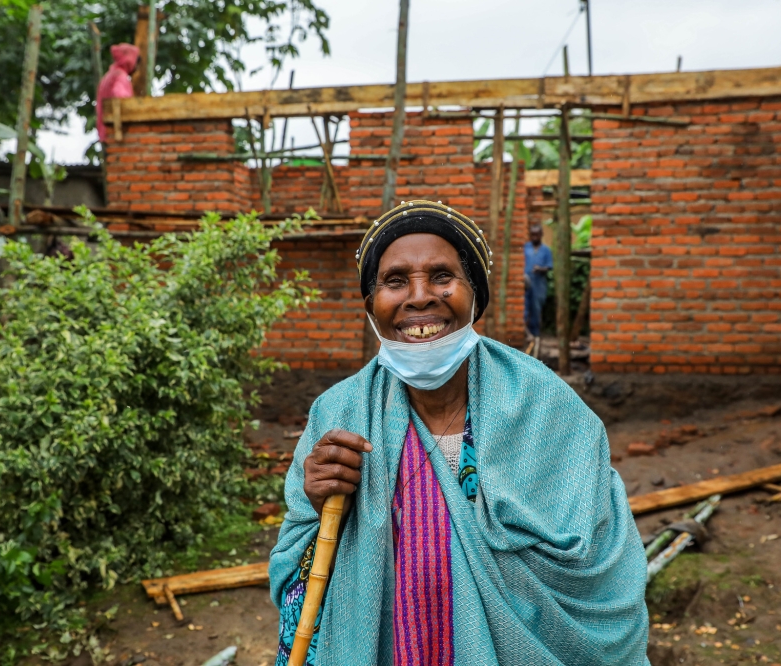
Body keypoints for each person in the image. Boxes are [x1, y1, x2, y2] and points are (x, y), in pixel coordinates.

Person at [270, 200, 649, 665]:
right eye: (395, 281)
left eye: (442, 277)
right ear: (371, 306)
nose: (419, 297)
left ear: (475, 295)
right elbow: (295, 567)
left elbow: (602, 563)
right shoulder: (340, 413)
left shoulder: (545, 406)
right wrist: (317, 500)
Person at [96, 44, 140, 142]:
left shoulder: (109, 76)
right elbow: (120, 98)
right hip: (113, 133)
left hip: (105, 132)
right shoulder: (120, 76)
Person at [524, 224, 553, 339]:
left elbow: (549, 266)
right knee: (525, 308)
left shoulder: (546, 250)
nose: (534, 237)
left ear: (541, 235)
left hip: (539, 284)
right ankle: (526, 334)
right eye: (532, 235)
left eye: (537, 235)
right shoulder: (526, 247)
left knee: (536, 308)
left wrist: (540, 269)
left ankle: (535, 334)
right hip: (526, 283)